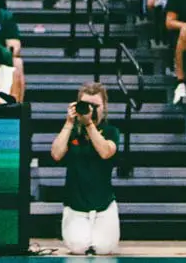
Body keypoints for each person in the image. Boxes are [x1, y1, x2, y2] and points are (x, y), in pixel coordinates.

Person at [50, 82, 120, 255]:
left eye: (96, 106)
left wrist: (89, 125)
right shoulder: (71, 131)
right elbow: (56, 154)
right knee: (79, 247)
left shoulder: (111, 131)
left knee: (103, 248)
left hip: (104, 205)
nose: (91, 110)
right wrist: (68, 123)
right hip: (75, 206)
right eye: (86, 106)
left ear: (105, 107)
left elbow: (105, 152)